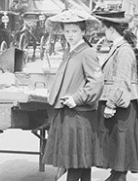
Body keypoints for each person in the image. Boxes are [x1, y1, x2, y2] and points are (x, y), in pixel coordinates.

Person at [43, 10, 103, 181]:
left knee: (75, 160)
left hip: (79, 114)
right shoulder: (70, 52)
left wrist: (76, 98)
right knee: (81, 162)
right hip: (68, 112)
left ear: (83, 32)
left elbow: (97, 82)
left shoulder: (87, 52)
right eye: (67, 31)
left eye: (74, 31)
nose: (70, 35)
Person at [92, 10, 138, 180]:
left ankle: (118, 175)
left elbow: (121, 80)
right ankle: (117, 174)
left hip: (121, 104)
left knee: (121, 142)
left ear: (111, 30)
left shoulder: (123, 50)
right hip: (121, 103)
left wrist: (111, 104)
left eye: (105, 29)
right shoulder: (120, 47)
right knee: (117, 142)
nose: (104, 32)